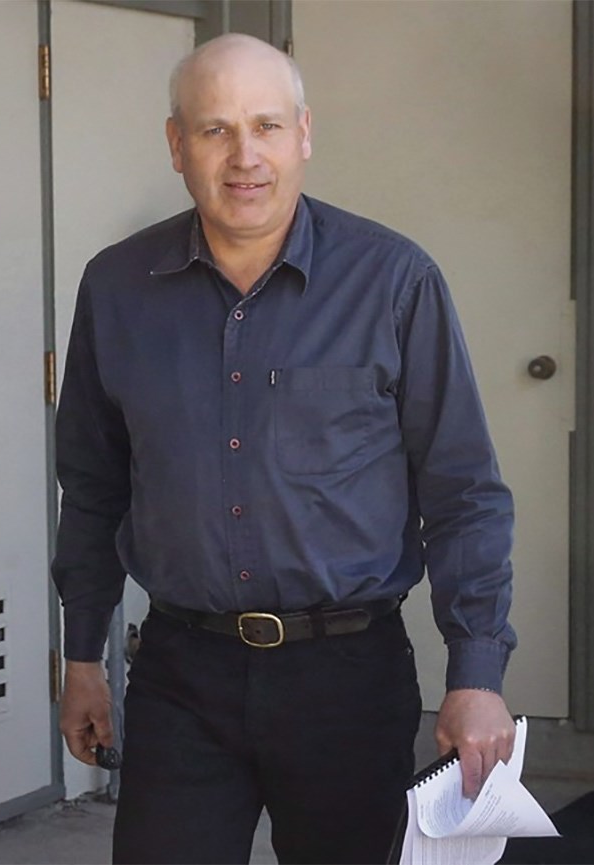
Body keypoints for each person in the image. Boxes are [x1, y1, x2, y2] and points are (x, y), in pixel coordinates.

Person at [53, 32, 517, 865]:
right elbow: (91, 486)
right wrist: (82, 652)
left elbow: (464, 492)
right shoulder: (116, 289)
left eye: (266, 126)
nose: (244, 157)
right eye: (215, 129)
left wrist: (477, 673)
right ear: (175, 145)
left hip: (347, 675)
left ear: (304, 134)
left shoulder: (395, 281)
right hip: (180, 675)